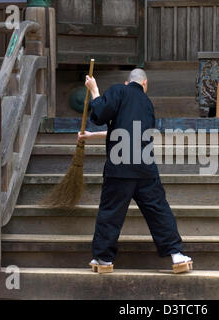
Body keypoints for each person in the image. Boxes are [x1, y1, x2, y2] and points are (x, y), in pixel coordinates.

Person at [78, 68, 193, 273]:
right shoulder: (147, 104)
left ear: (126, 82)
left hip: (120, 166)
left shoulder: (119, 91)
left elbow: (102, 113)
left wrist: (94, 90)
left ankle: (104, 260)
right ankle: (177, 256)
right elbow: (126, 132)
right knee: (159, 211)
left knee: (111, 213)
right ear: (145, 84)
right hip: (144, 167)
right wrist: (91, 136)